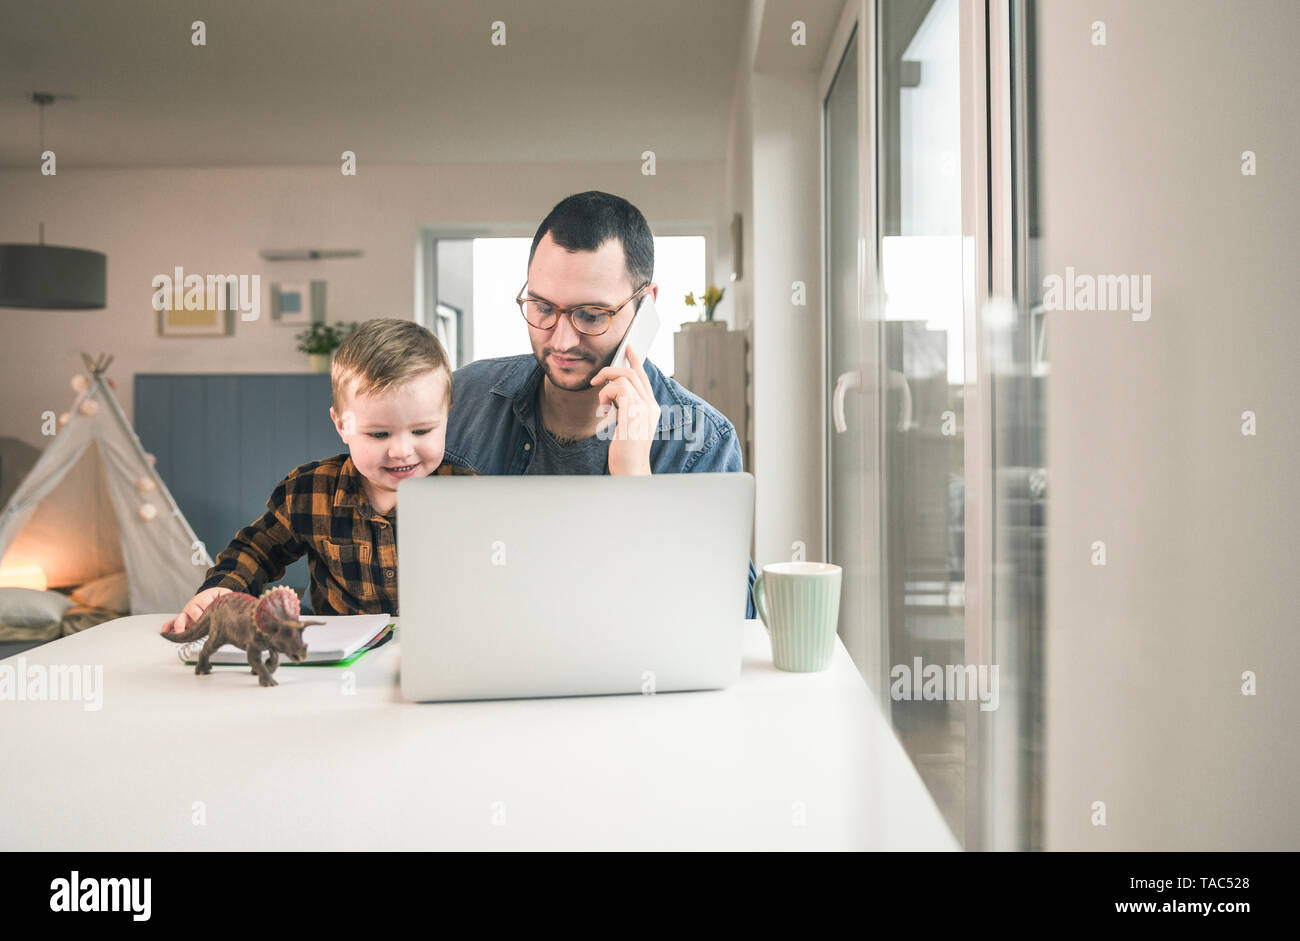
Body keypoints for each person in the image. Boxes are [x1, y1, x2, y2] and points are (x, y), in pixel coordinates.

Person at [443, 191, 757, 617]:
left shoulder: (701, 441)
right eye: (542, 307)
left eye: (591, 315)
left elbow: (726, 620)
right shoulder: (459, 399)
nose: (561, 340)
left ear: (647, 306)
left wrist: (634, 479)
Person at [160, 319, 470, 634]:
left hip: (440, 648)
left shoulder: (470, 495)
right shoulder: (311, 490)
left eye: (422, 431)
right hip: (336, 663)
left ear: (446, 416)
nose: (401, 451)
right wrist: (222, 590)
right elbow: (256, 550)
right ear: (341, 425)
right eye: (378, 434)